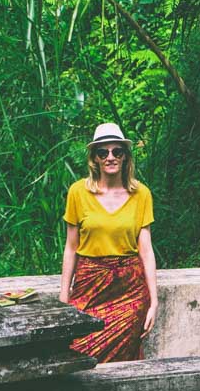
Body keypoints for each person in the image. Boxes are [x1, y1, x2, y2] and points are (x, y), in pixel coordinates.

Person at [59, 122, 157, 362]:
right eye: (103, 152)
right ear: (95, 158)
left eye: (117, 151)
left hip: (130, 291)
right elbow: (71, 248)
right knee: (78, 347)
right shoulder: (77, 192)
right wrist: (63, 297)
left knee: (123, 358)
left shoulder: (141, 194)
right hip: (89, 284)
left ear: (125, 157)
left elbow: (146, 250)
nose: (110, 157)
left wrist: (154, 300)